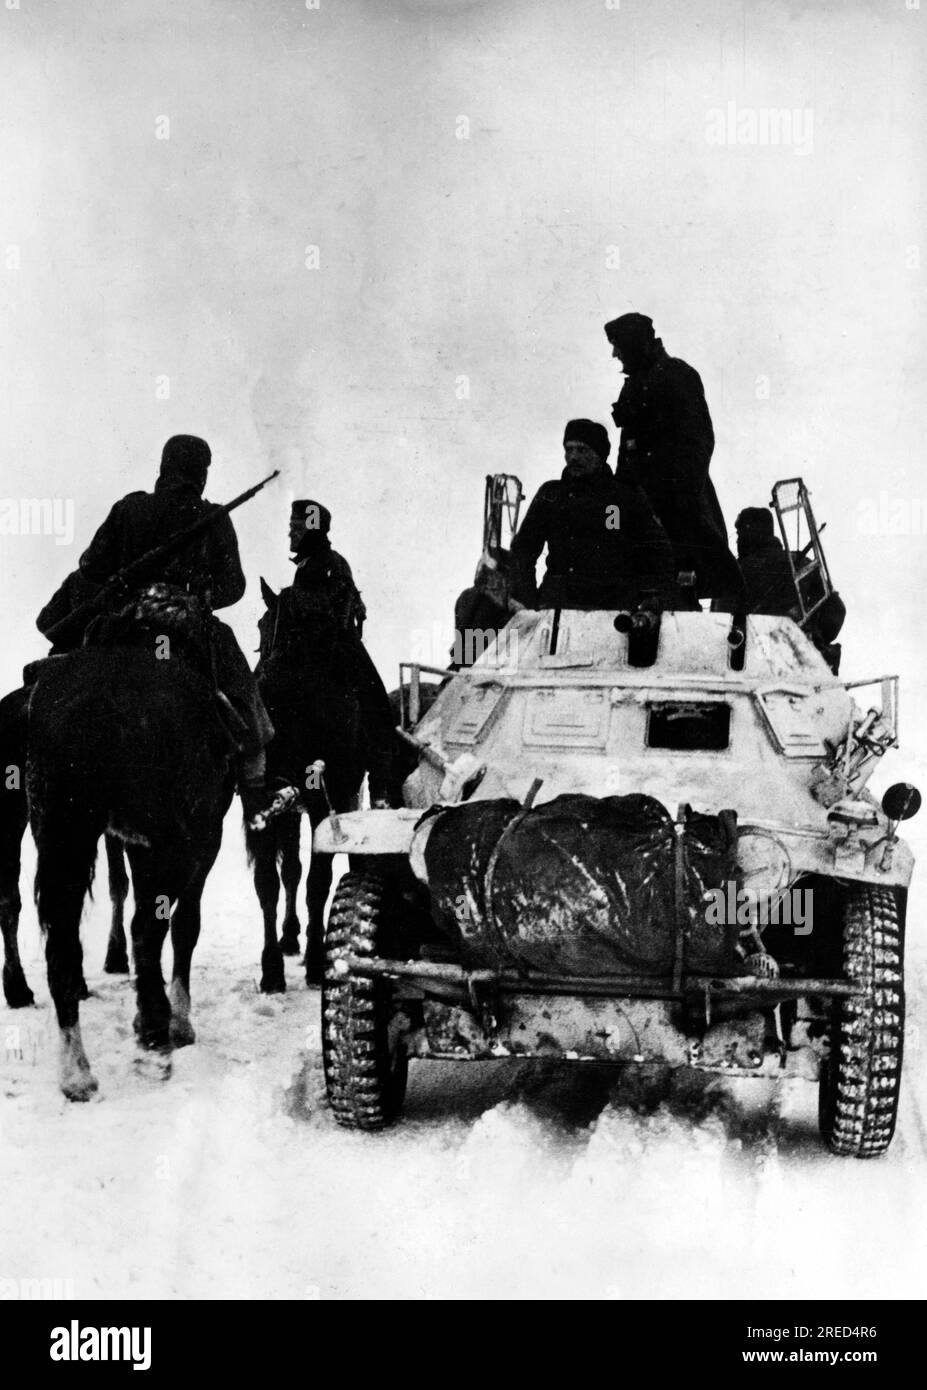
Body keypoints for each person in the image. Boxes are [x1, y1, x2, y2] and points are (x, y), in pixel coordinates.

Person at [36, 434, 273, 814]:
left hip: (126, 620)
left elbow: (91, 566)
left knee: (66, 670)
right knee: (242, 690)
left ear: (165, 466)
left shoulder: (130, 509)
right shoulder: (212, 516)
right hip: (188, 621)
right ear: (200, 473)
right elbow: (235, 586)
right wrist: (201, 592)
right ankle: (255, 779)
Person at [604, 312, 744, 609]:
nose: (614, 353)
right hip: (641, 502)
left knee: (681, 583)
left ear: (635, 344)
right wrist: (617, 504)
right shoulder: (632, 386)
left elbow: (698, 441)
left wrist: (680, 497)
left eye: (619, 345)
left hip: (677, 504)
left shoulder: (678, 375)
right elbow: (626, 453)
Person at [509, 419, 674, 611]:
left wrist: (650, 598)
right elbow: (523, 550)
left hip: (610, 610)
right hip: (556, 607)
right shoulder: (551, 495)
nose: (573, 457)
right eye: (568, 450)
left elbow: (656, 551)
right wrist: (527, 601)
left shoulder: (622, 497)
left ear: (599, 455)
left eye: (582, 450)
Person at [735, 505, 845, 671]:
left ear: (751, 533)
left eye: (739, 533)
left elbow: (720, 620)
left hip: (746, 664)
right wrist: (812, 636)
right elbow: (836, 609)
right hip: (799, 662)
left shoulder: (736, 571)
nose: (737, 540)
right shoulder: (800, 563)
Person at [289, 499, 366, 636]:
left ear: (313, 532)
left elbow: (322, 619)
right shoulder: (316, 562)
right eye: (291, 527)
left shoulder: (323, 562)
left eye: (297, 528)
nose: (290, 534)